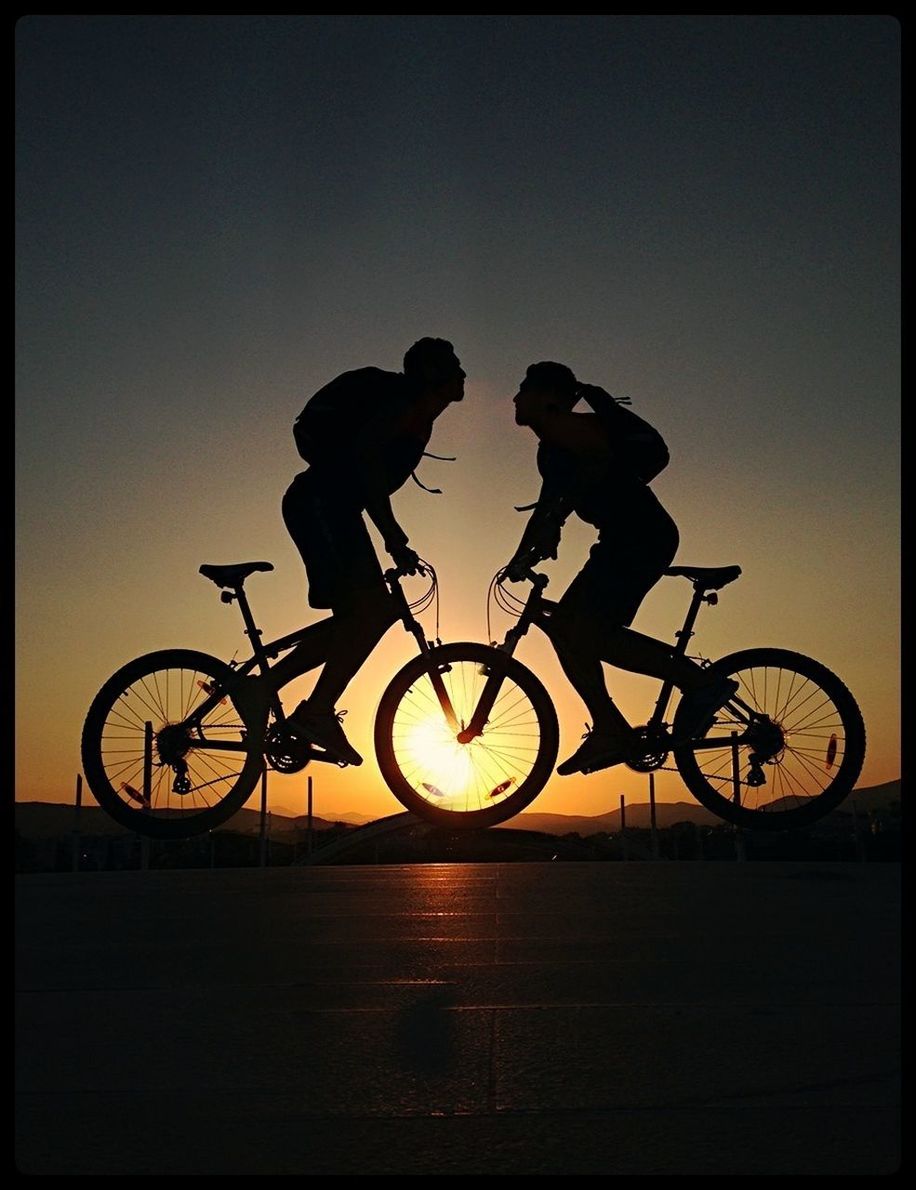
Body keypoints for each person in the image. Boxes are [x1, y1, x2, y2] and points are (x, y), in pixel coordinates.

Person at [503, 361, 737, 776]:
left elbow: (590, 472)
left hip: (640, 537)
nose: (516, 397)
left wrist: (554, 519)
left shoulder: (570, 430)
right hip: (621, 539)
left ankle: (700, 684)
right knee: (568, 630)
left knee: (591, 635)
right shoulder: (551, 447)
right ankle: (610, 727)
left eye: (525, 389)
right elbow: (547, 507)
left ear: (549, 397)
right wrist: (522, 554)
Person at [273, 338, 465, 765]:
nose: (462, 373)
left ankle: (268, 690)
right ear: (432, 373)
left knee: (361, 617)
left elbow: (366, 475)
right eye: (453, 365)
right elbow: (366, 467)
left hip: (329, 507)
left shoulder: (415, 413)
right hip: (323, 505)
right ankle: (316, 712)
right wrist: (394, 537)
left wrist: (393, 539)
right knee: (370, 613)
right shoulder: (403, 405)